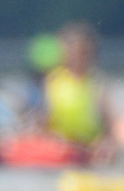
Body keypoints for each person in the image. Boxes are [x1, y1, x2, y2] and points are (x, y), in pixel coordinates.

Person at [43, 21, 115, 158]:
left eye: (83, 51)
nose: (78, 56)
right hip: (61, 147)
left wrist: (106, 145)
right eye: (74, 50)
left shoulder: (98, 82)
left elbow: (109, 125)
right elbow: (45, 121)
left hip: (90, 148)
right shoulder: (53, 81)